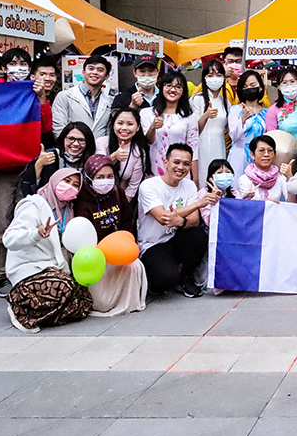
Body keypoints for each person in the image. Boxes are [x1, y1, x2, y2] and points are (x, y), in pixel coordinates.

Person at [3, 167, 92, 333]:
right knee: (63, 287)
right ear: (54, 181)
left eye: (75, 184)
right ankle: (20, 307)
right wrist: (36, 233)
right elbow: (9, 239)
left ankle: (43, 312)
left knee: (84, 301)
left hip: (53, 268)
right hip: (28, 268)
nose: (70, 187)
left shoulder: (68, 209)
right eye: (66, 181)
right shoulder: (33, 204)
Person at [0, 47, 37, 297]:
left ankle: (23, 270)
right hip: (0, 170)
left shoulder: (33, 91)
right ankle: (0, 274)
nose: (19, 67)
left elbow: (45, 126)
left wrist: (43, 98)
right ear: (4, 69)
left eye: (24, 63)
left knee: (26, 221)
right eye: (13, 63)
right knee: (0, 224)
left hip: (29, 169)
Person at [138, 143, 218, 296]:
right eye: (176, 162)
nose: (181, 167)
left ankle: (185, 278)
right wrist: (199, 203)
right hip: (153, 244)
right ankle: (152, 277)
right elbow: (164, 218)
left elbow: (193, 220)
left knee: (199, 235)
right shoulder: (148, 185)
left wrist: (180, 222)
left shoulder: (188, 185)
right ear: (165, 162)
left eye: (186, 164)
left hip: (175, 238)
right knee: (165, 281)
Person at [73, 154, 147, 316]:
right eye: (100, 177)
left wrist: (123, 239)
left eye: (109, 176)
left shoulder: (117, 192)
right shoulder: (81, 200)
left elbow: (127, 219)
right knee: (102, 304)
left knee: (134, 265)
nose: (105, 181)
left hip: (117, 250)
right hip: (94, 256)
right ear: (89, 177)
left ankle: (130, 302)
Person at [141, 69, 199, 181]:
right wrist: (153, 127)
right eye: (168, 85)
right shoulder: (147, 113)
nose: (173, 90)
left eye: (178, 87)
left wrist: (195, 178)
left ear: (183, 91)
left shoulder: (190, 117)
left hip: (180, 170)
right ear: (162, 87)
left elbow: (194, 149)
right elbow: (148, 142)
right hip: (155, 168)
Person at [19, 122, 96, 198]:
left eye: (81, 140)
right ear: (63, 139)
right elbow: (28, 188)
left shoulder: (91, 162)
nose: (76, 143)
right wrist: (39, 164)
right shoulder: (50, 156)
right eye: (71, 139)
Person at [52, 53, 113, 141]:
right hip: (72, 149)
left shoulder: (110, 101)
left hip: (100, 151)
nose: (94, 72)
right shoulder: (65, 96)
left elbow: (108, 130)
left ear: (107, 76)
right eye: (91, 68)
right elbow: (58, 128)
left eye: (100, 70)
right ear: (83, 72)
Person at [97, 107, 150, 201]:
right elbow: (96, 169)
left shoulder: (138, 151)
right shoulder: (101, 142)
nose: (124, 128)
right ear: (113, 125)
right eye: (120, 123)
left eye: (130, 124)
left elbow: (132, 187)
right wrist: (113, 157)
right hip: (95, 197)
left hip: (121, 200)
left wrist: (119, 207)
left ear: (137, 127)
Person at [189, 59, 230, 177]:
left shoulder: (225, 102)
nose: (215, 78)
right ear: (204, 78)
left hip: (220, 147)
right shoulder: (197, 99)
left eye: (219, 75)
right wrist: (206, 115)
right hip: (201, 148)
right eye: (210, 75)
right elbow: (193, 130)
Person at [226, 70, 269, 173]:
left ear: (260, 87)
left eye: (252, 85)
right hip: (239, 159)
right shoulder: (235, 110)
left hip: (261, 159)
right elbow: (234, 136)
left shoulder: (266, 112)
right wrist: (243, 119)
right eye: (245, 87)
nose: (249, 88)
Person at [265, 66, 297, 138]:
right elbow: (272, 137)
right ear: (279, 87)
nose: (289, 85)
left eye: (292, 81)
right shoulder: (273, 110)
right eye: (284, 82)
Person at [239, 135, 290, 202]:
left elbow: (291, 202)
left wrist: (290, 177)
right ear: (252, 155)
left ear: (274, 154)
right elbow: (245, 205)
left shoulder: (280, 177)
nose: (266, 154)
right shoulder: (244, 179)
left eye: (270, 150)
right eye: (261, 150)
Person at [31, 57, 59, 146]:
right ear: (32, 77)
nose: (48, 78)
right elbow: (44, 129)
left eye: (52, 75)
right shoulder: (25, 98)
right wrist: (41, 96)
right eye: (42, 74)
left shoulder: (57, 98)